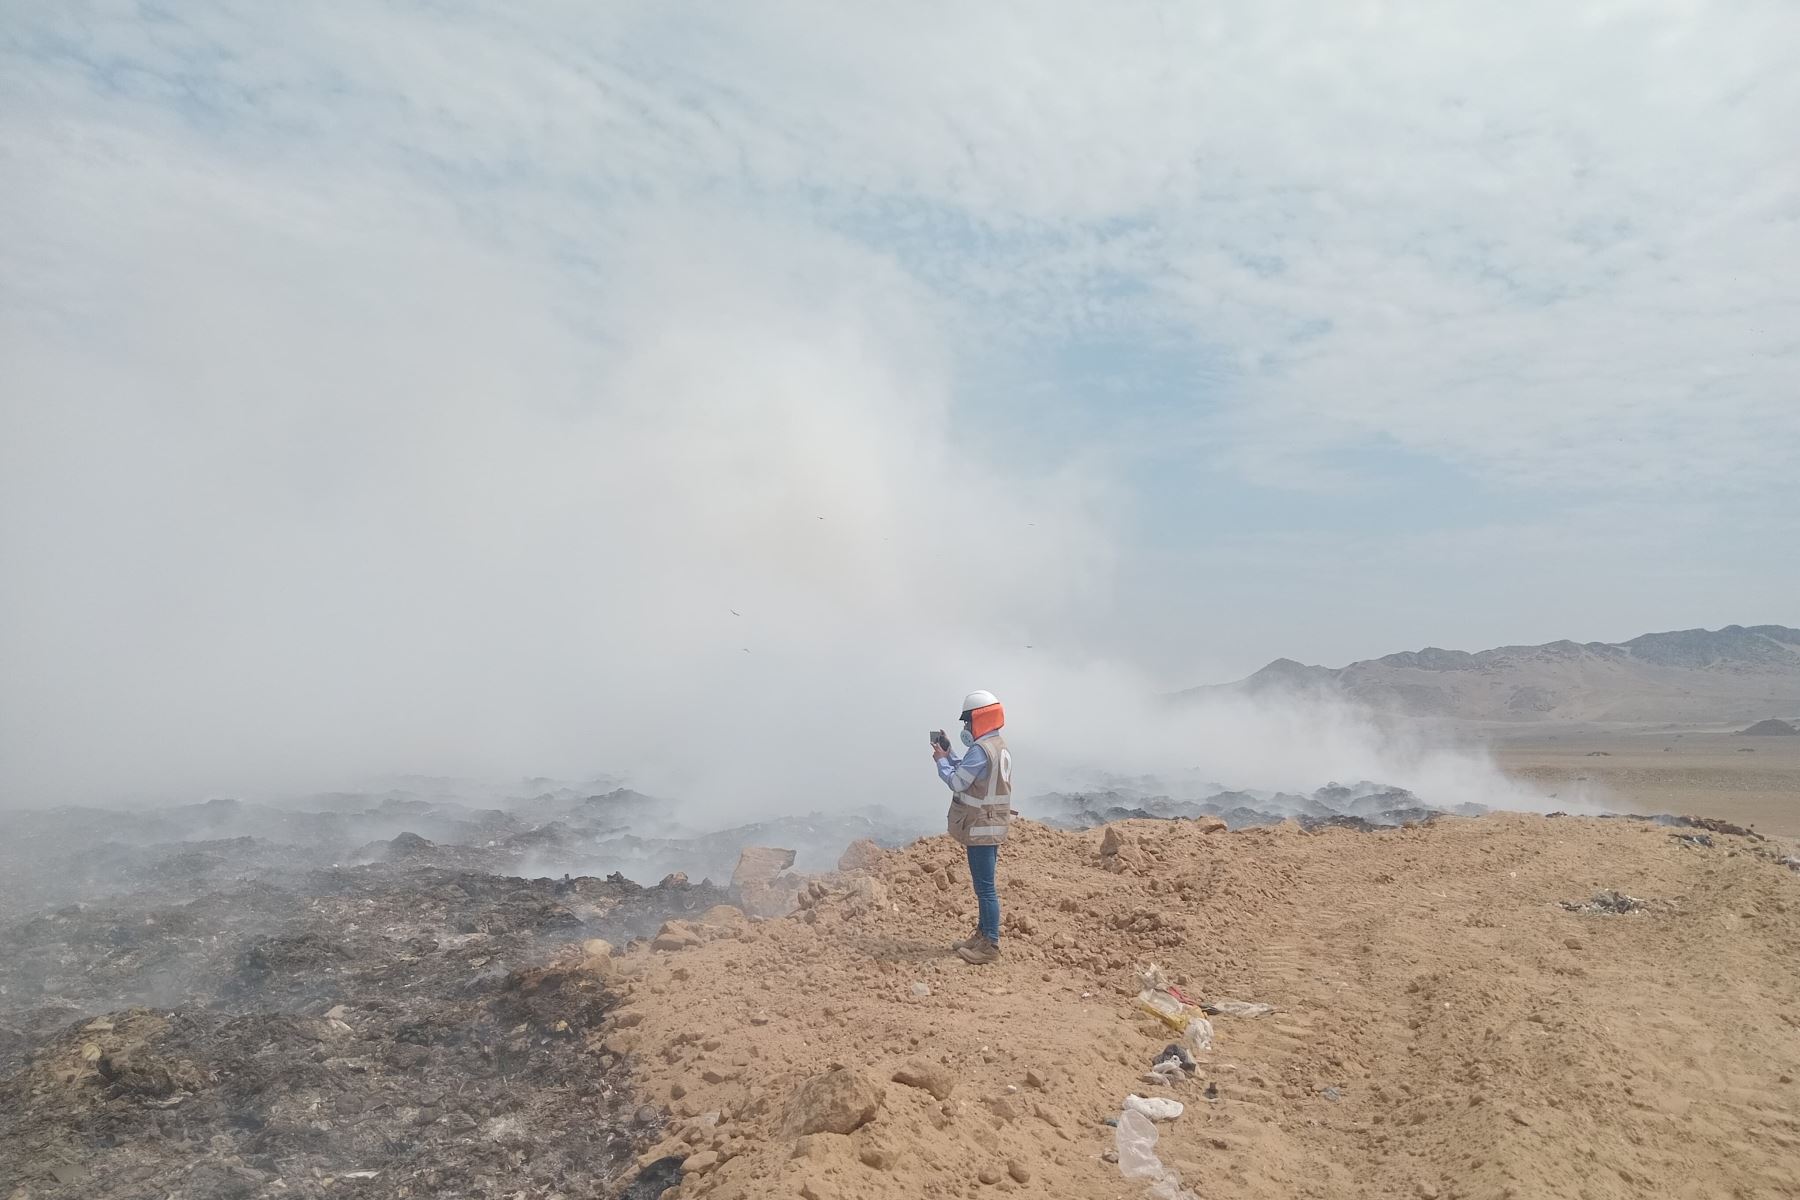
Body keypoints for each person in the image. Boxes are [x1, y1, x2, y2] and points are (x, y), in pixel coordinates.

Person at [931, 689, 1013, 965]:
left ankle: (989, 944)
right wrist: (951, 753)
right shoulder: (996, 746)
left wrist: (941, 761)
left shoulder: (980, 750)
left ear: (979, 719)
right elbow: (969, 772)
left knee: (985, 889)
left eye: (967, 722)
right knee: (984, 887)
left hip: (980, 828)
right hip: (990, 826)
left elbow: (957, 782)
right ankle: (981, 936)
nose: (966, 728)